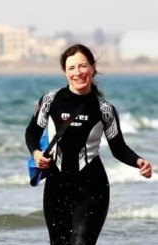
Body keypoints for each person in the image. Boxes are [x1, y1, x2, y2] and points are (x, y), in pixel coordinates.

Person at [25, 43, 153, 245]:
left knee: (82, 241)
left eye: (83, 66)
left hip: (92, 188)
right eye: (71, 68)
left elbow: (119, 148)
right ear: (64, 72)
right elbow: (32, 132)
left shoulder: (105, 109)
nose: (78, 73)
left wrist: (139, 162)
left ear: (93, 68)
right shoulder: (50, 100)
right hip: (56, 187)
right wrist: (36, 154)